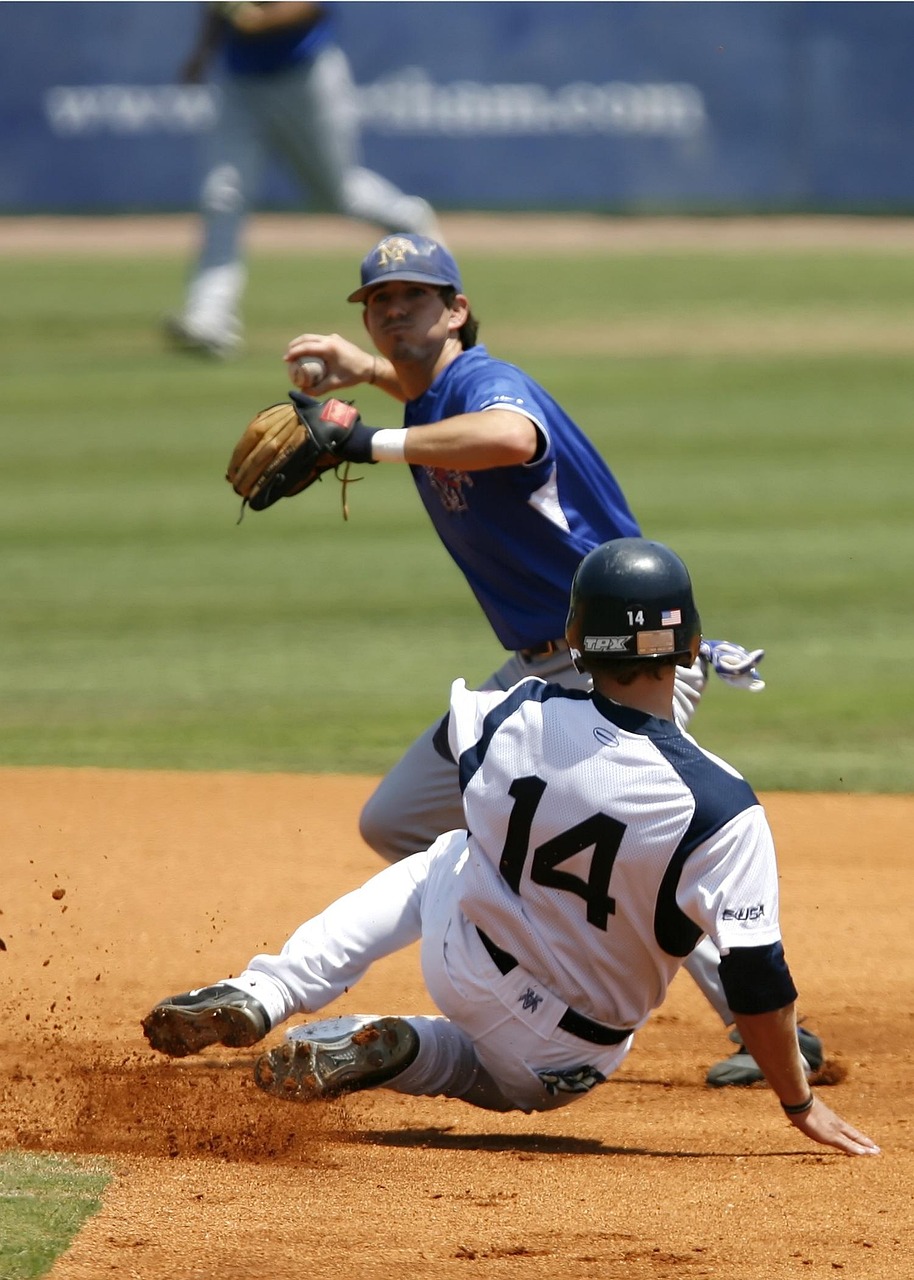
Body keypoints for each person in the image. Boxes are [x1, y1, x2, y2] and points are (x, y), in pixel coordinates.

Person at [273, 231, 821, 1089]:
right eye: (379, 302)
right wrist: (370, 373)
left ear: (457, 309)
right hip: (538, 673)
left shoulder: (486, 384)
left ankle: (776, 1030)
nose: (392, 311)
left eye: (413, 297)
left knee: (663, 843)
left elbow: (506, 434)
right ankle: (539, 935)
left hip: (622, 660)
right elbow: (430, 398)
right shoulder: (431, 395)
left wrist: (362, 441)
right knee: (396, 820)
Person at [142, 538, 878, 1158]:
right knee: (481, 1074)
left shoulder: (517, 713)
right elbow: (757, 982)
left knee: (444, 858)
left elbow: (452, 747)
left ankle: (270, 990)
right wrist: (797, 1103)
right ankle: (403, 1047)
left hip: (461, 960)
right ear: (689, 648)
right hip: (567, 1055)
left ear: (579, 643)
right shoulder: (723, 810)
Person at [164, 2, 440, 358]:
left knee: (340, 194)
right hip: (239, 80)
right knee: (222, 194)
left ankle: (410, 221)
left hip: (304, 75)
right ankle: (211, 319)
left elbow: (311, 5)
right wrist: (203, 51)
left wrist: (260, 19)